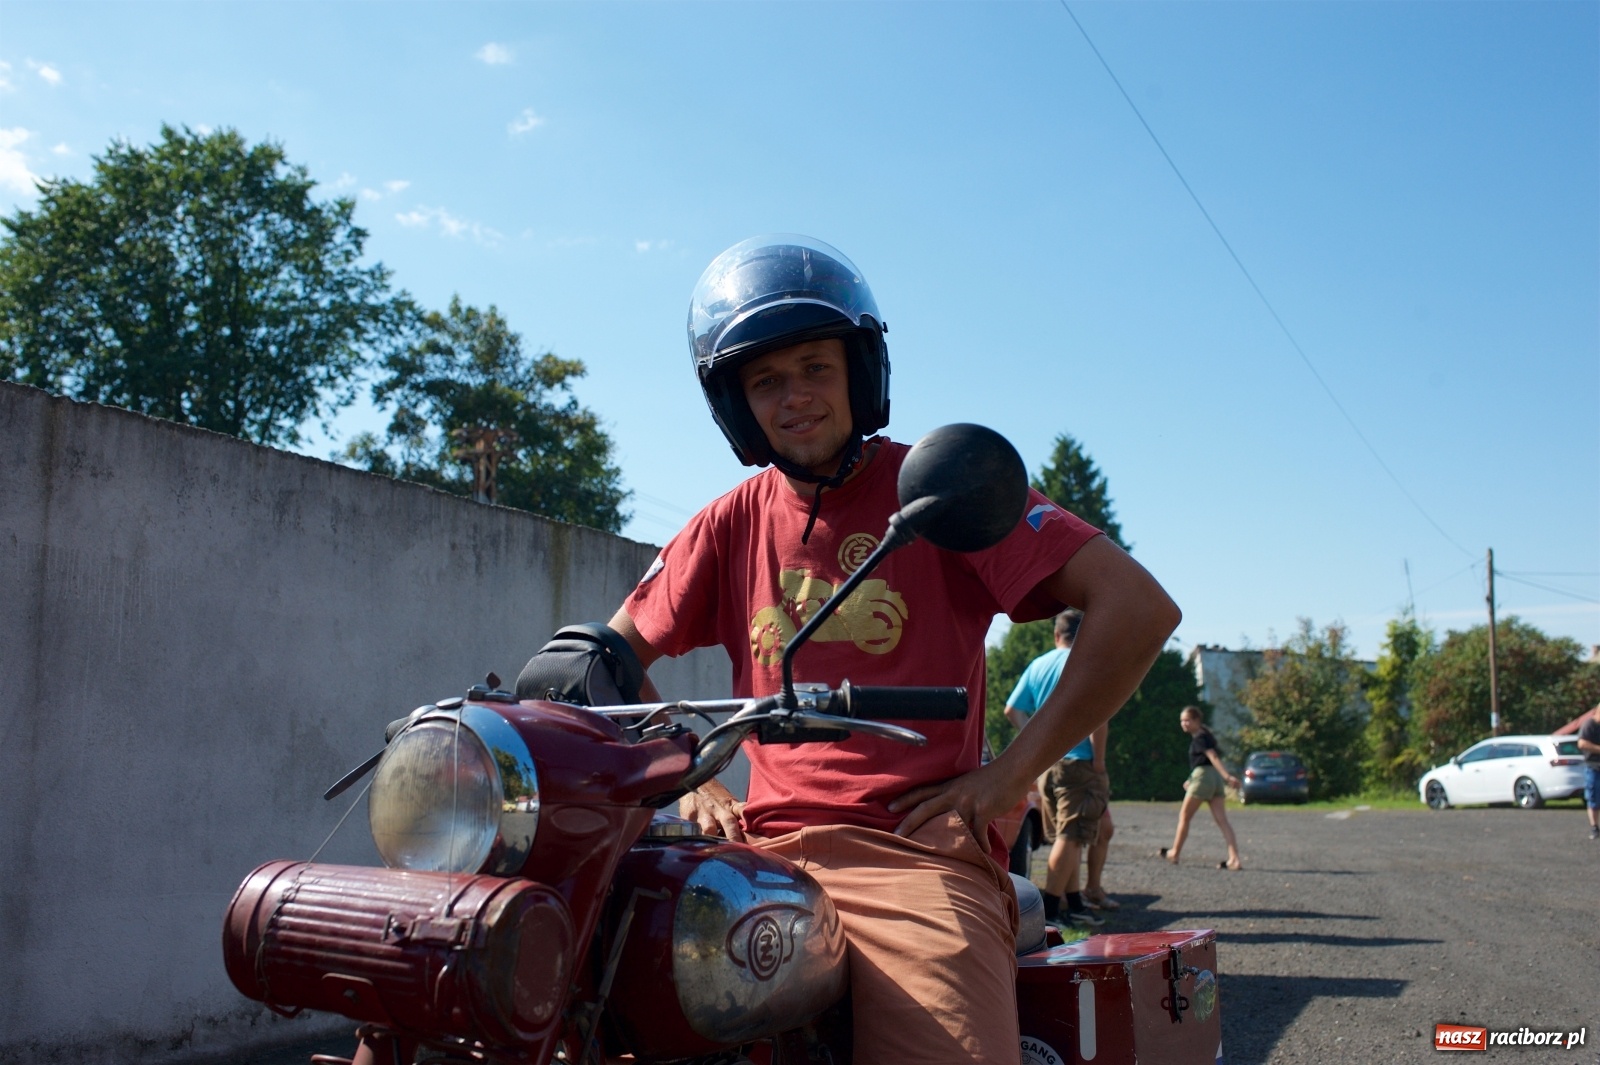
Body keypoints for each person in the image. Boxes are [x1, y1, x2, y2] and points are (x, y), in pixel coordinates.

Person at [608, 235, 1181, 1063]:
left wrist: (1010, 775)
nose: (793, 396)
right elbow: (608, 659)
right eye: (765, 381)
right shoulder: (729, 520)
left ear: (860, 373)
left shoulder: (942, 486)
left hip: (910, 852)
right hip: (752, 853)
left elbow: (1135, 606)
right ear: (735, 405)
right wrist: (681, 776)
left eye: (814, 367)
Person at [1004, 609, 1117, 926]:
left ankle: (1076, 905)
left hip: (1048, 765)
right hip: (1079, 764)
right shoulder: (1087, 664)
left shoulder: (1039, 665)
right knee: (1071, 837)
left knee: (1068, 839)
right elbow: (1099, 717)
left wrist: (1036, 744)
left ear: (1057, 635)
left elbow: (1012, 710)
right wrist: (1099, 761)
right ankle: (1052, 914)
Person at [1161, 705, 1243, 870]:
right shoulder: (1206, 735)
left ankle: (1174, 853)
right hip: (1213, 779)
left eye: (1187, 720)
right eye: (1182, 721)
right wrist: (1191, 779)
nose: (1184, 724)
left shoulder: (1199, 737)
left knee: (1184, 816)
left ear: (1197, 721)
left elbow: (1212, 757)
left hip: (1204, 778)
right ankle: (1234, 859)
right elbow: (1203, 762)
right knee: (1222, 821)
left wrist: (1227, 776)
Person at [1577, 704, 1600, 840]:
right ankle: (1594, 827)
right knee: (1593, 798)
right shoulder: (1589, 725)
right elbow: (1582, 744)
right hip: (1593, 766)